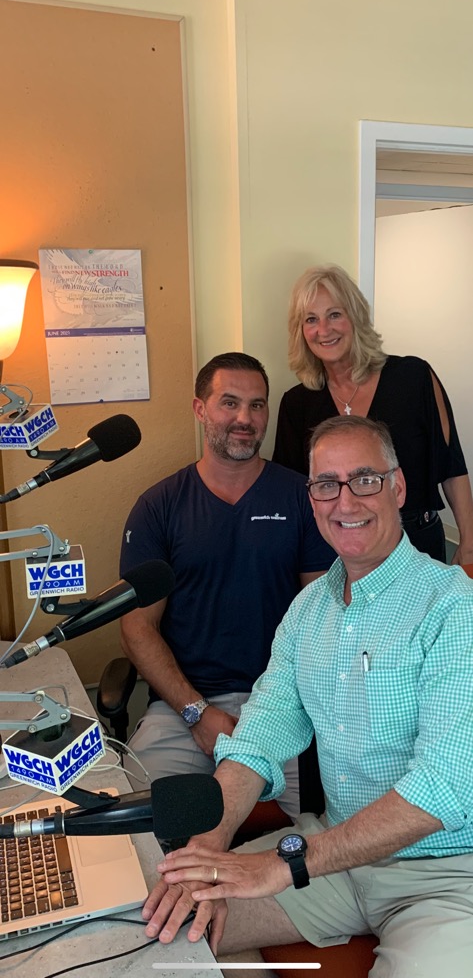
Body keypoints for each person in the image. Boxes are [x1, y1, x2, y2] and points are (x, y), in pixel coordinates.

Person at [143, 415, 473, 978]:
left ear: (397, 487)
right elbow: (259, 737)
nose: (345, 501)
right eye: (326, 484)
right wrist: (209, 849)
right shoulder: (308, 610)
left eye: (364, 479)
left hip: (443, 873)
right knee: (160, 926)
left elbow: (443, 787)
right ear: (312, 498)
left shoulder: (452, 605)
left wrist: (284, 865)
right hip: (338, 860)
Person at [119, 351, 335, 820]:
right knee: (136, 826)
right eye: (230, 403)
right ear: (200, 409)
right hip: (182, 708)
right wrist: (196, 712)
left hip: (284, 704)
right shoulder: (159, 507)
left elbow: (324, 617)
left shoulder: (302, 499)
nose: (245, 419)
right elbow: (137, 629)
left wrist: (278, 708)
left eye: (257, 405)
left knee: (323, 831)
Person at [272, 263, 473, 563]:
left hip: (415, 543)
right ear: (301, 331)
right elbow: (294, 495)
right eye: (311, 319)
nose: (323, 330)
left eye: (334, 314)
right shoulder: (296, 403)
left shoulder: (414, 377)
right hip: (334, 550)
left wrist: (469, 542)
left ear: (356, 316)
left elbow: (451, 466)